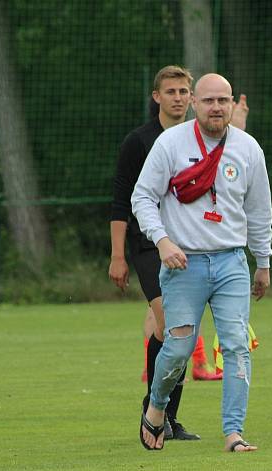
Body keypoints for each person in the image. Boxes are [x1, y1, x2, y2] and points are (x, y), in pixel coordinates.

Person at [132, 73, 272, 452]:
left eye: (223, 100)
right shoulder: (170, 143)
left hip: (231, 263)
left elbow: (259, 211)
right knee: (178, 349)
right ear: (195, 102)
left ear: (231, 104)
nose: (216, 107)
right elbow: (142, 198)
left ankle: (233, 433)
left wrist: (263, 262)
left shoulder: (248, 149)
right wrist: (162, 243)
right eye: (209, 100)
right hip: (183, 264)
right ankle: (157, 407)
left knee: (236, 347)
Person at [109, 65, 203, 440]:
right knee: (169, 324)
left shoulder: (200, 140)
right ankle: (157, 411)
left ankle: (164, 414)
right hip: (149, 245)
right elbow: (120, 201)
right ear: (156, 97)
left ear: (192, 98)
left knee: (182, 330)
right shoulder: (139, 142)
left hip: (192, 245)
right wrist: (118, 255)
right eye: (171, 92)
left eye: (184, 92)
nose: (178, 98)